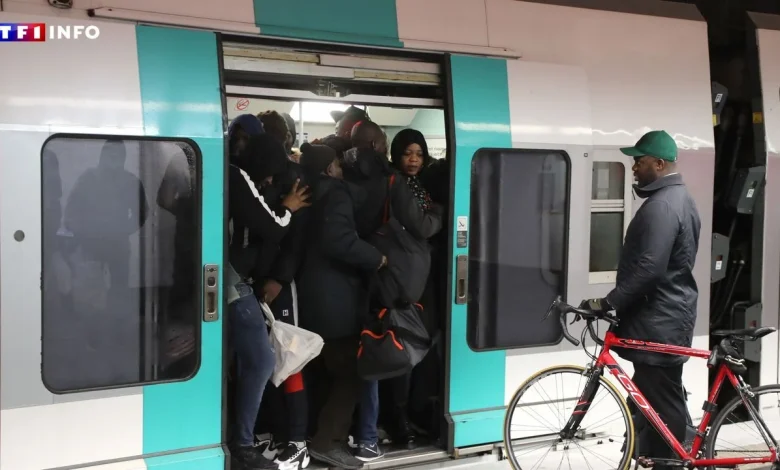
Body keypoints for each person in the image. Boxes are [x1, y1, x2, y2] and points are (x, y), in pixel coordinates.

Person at [578, 130, 700, 470]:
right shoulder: (680, 198)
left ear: (658, 164)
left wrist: (608, 302)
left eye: (639, 161)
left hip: (659, 320)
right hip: (666, 316)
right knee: (658, 394)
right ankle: (658, 453)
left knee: (664, 399)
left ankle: (671, 462)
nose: (633, 167)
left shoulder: (661, 206)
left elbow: (649, 269)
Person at [344, 121, 443, 461]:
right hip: (400, 280)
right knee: (401, 346)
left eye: (419, 154)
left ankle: (391, 418)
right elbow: (422, 226)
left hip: (401, 275)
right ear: (393, 154)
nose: (414, 160)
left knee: (400, 345)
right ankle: (395, 418)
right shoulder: (400, 184)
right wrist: (440, 212)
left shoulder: (410, 183)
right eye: (407, 153)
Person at [227, 121, 311, 470]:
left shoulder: (232, 173)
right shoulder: (239, 177)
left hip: (248, 279)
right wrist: (288, 207)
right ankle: (246, 444)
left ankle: (245, 438)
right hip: (238, 281)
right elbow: (274, 226)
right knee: (265, 359)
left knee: (250, 360)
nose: (270, 182)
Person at [296, 142, 386, 470]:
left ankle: (314, 434)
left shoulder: (303, 192)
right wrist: (376, 257)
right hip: (334, 299)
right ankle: (328, 442)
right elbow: (339, 240)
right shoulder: (336, 193)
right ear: (329, 168)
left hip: (311, 294)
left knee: (322, 371)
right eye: (336, 163)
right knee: (350, 371)